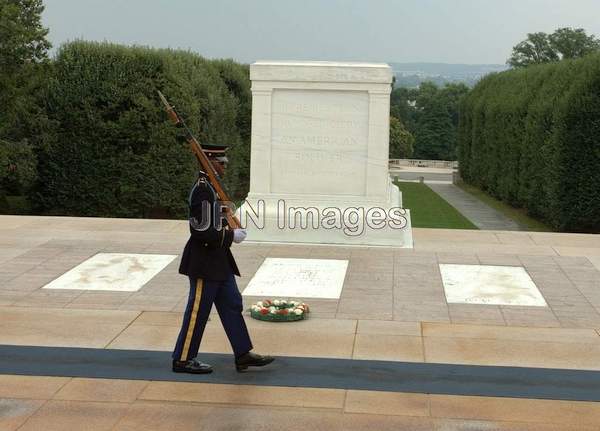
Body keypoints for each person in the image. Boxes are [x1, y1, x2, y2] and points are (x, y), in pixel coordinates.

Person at [172, 145, 274, 374]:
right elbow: (199, 231)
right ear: (209, 162)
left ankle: (242, 354)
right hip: (204, 262)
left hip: (219, 261)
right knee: (198, 312)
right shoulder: (202, 190)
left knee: (232, 305)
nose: (225, 165)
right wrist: (230, 235)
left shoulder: (212, 188)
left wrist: (229, 224)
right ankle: (182, 359)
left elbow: (214, 220)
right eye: (222, 162)